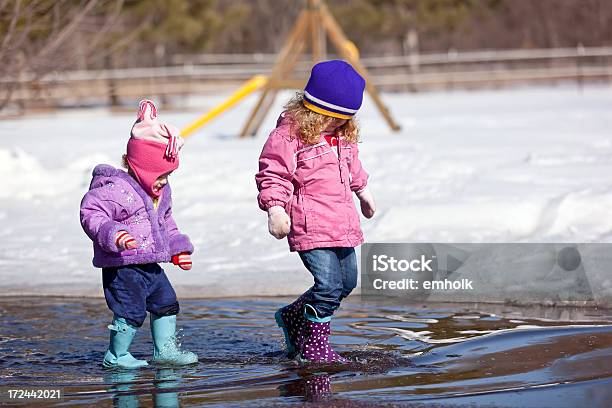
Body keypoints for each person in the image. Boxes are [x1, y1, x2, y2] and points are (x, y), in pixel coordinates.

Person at [255, 60, 376, 363]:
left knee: (346, 284)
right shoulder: (289, 136)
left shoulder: (343, 135)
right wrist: (274, 208)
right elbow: (274, 174)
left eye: (344, 118)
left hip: (342, 221)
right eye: (332, 117)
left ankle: (294, 316)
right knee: (328, 286)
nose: (338, 123)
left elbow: (353, 168)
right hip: (309, 224)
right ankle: (315, 349)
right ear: (313, 109)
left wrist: (363, 191)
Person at [80, 100, 198, 368]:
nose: (164, 181)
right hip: (122, 266)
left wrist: (177, 249)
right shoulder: (117, 190)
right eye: (160, 175)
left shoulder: (161, 192)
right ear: (141, 167)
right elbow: (91, 212)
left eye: (168, 175)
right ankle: (117, 356)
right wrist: (114, 234)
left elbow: (166, 222)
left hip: (150, 262)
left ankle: (165, 351)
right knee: (130, 311)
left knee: (166, 303)